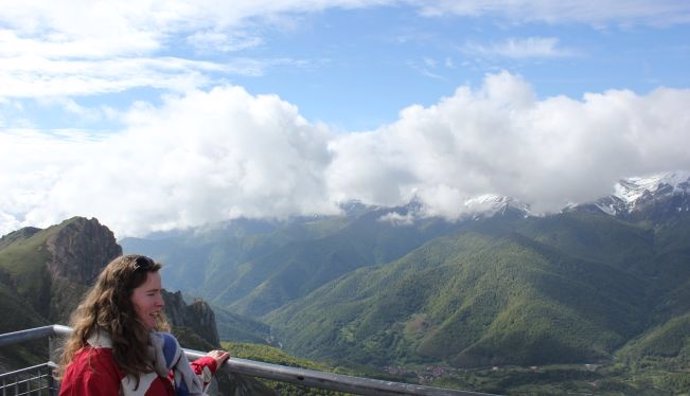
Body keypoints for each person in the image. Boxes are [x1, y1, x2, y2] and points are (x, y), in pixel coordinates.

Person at [58, 254, 230, 395]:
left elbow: (169, 385)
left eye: (159, 293)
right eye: (151, 294)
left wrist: (208, 364)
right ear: (121, 300)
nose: (161, 302)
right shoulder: (92, 367)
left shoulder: (145, 346)